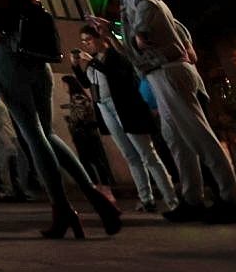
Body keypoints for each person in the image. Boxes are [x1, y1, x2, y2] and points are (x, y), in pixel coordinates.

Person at [0, 0, 118, 239]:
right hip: (39, 63)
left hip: (7, 60)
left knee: (33, 136)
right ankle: (95, 197)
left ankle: (62, 208)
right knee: (46, 134)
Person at [96, 0, 236, 224]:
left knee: (199, 136)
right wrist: (111, 35)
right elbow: (146, 46)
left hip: (166, 70)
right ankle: (192, 200)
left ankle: (231, 201)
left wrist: (141, 33)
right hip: (162, 71)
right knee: (176, 140)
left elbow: (148, 10)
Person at [73, 27, 176, 212]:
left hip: (125, 108)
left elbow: (119, 76)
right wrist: (76, 66)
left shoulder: (114, 56)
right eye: (83, 41)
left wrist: (93, 63)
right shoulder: (93, 62)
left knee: (147, 154)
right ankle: (146, 199)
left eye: (88, 39)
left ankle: (171, 199)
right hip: (104, 108)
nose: (86, 44)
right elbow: (88, 84)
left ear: (100, 38)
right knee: (130, 155)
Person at [61, 74, 115, 190]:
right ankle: (103, 186)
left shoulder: (77, 97)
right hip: (89, 132)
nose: (63, 87)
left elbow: (81, 115)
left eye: (64, 84)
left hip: (83, 134)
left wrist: (71, 120)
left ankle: (96, 186)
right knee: (95, 160)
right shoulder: (79, 97)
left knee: (88, 161)